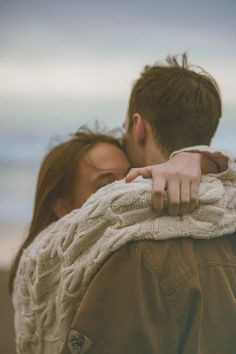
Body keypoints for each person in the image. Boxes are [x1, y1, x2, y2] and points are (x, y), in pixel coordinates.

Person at [11, 55, 236, 354]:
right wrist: (201, 159)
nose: (122, 188)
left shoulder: (130, 248)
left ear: (138, 126)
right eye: (107, 184)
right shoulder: (226, 211)